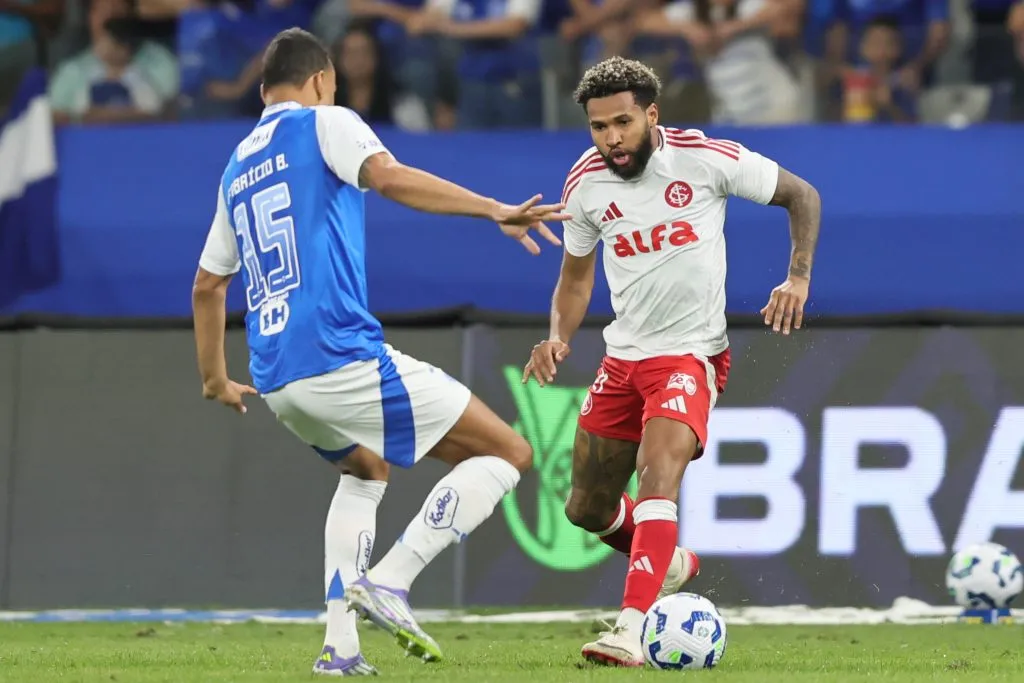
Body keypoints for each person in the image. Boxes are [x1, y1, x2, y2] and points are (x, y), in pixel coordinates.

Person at [191, 27, 567, 676]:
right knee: (509, 450)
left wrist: (215, 379)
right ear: (319, 82)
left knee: (365, 471)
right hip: (336, 351)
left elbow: (207, 285)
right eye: (330, 86)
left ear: (262, 90)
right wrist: (492, 209)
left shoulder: (236, 168)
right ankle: (391, 579)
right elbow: (388, 178)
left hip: (275, 372)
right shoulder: (327, 121)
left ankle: (340, 647)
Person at [522, 56, 821, 667]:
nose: (611, 138)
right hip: (621, 359)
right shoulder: (584, 185)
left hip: (689, 357)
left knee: (657, 479)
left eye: (623, 123)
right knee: (586, 509)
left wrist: (797, 277)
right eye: (599, 127)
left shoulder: (705, 159)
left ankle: (630, 629)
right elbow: (575, 281)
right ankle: (673, 562)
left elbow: (802, 195)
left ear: (651, 115)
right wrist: (558, 336)